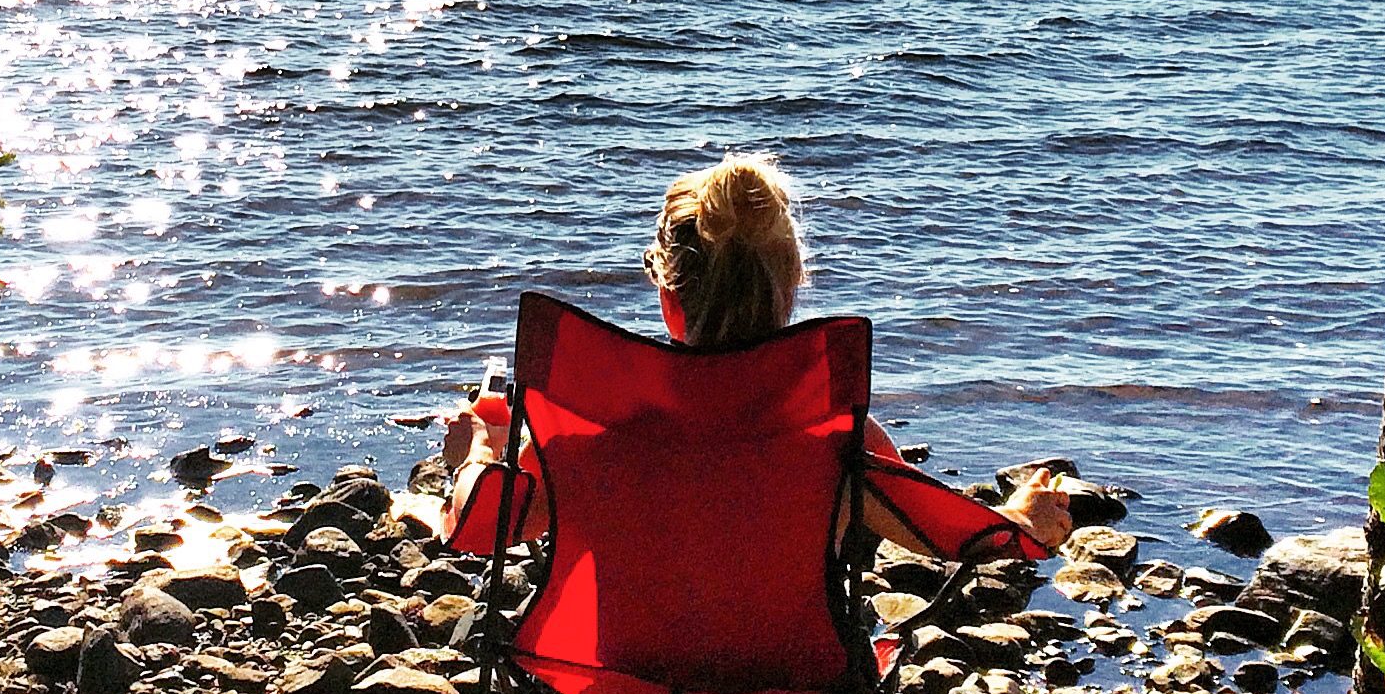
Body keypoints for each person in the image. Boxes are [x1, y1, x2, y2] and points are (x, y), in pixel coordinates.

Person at [440, 151, 1076, 561]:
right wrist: (1023, 520)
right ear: (792, 292)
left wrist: (478, 450)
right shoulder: (833, 426)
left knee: (662, 662)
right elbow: (947, 534)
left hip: (621, 679)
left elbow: (476, 530)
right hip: (792, 692)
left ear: (667, 297)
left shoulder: (597, 418)